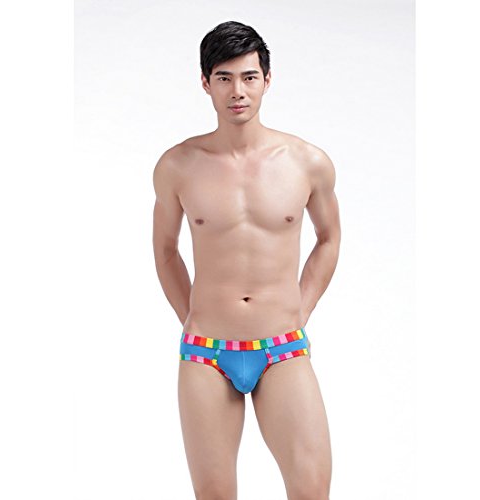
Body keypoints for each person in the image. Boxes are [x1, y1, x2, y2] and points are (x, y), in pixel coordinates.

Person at [152, 20, 341, 500]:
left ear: (266, 80)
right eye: (224, 78)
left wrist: (302, 308)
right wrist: (191, 315)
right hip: (206, 353)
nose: (238, 91)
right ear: (205, 83)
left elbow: (329, 238)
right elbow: (166, 250)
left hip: (282, 348)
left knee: (311, 490)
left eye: (249, 77)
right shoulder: (177, 165)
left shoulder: (307, 162)